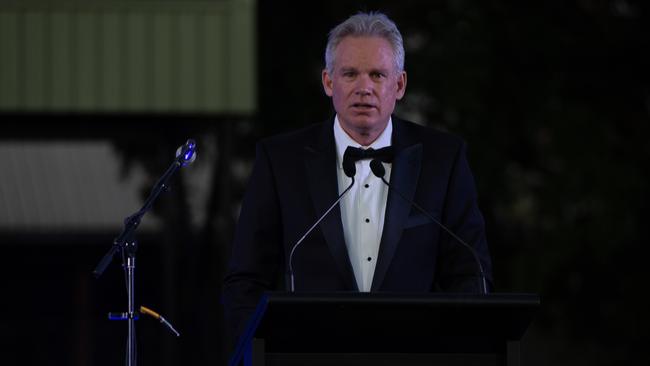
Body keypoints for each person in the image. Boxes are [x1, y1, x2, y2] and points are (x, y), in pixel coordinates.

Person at [222, 11, 492, 346]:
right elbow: (246, 281)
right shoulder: (280, 161)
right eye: (350, 74)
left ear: (400, 84)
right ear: (328, 82)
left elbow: (470, 275)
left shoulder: (444, 160)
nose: (364, 88)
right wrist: (258, 353)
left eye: (377, 74)